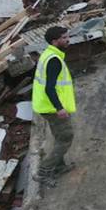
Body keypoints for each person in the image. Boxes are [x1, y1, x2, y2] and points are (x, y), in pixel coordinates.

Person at [32, 26, 77, 187]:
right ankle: (43, 172)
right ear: (54, 41)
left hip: (44, 105)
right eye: (64, 37)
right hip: (51, 108)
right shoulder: (53, 60)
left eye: (67, 36)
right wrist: (59, 108)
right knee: (66, 137)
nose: (68, 40)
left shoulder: (48, 54)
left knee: (59, 136)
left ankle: (59, 166)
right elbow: (49, 87)